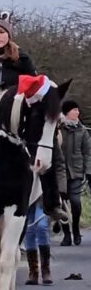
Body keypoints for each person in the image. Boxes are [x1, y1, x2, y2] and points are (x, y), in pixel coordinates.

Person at [58, 99, 91, 246]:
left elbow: (87, 152)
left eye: (78, 110)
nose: (78, 112)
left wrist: (88, 170)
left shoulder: (82, 130)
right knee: (62, 205)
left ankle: (76, 229)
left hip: (76, 172)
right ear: (67, 112)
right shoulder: (58, 129)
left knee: (76, 203)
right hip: (60, 173)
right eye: (74, 110)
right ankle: (66, 235)